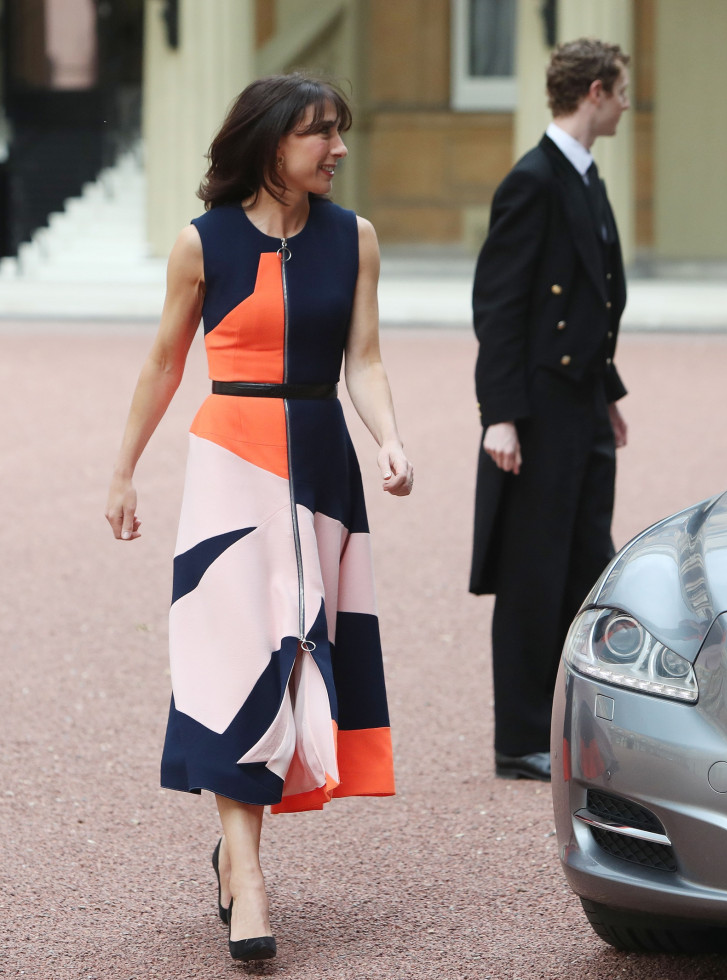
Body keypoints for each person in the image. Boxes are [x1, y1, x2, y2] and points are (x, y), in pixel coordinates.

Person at [105, 72, 413, 963]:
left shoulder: (356, 238)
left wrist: (388, 438)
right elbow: (164, 363)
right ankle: (247, 880)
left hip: (322, 466)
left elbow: (367, 359)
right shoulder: (201, 245)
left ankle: (237, 858)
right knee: (230, 668)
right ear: (276, 141)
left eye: (341, 133)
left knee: (292, 665)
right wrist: (122, 471)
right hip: (230, 470)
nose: (340, 150)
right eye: (324, 134)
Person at [469, 39, 630, 782]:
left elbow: (590, 292)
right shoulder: (533, 179)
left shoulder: (583, 176)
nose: (627, 105)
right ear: (595, 92)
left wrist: (610, 390)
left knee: (588, 565)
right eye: (621, 92)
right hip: (535, 411)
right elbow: (500, 305)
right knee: (534, 573)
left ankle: (574, 726)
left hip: (582, 403)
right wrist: (498, 413)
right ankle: (520, 738)